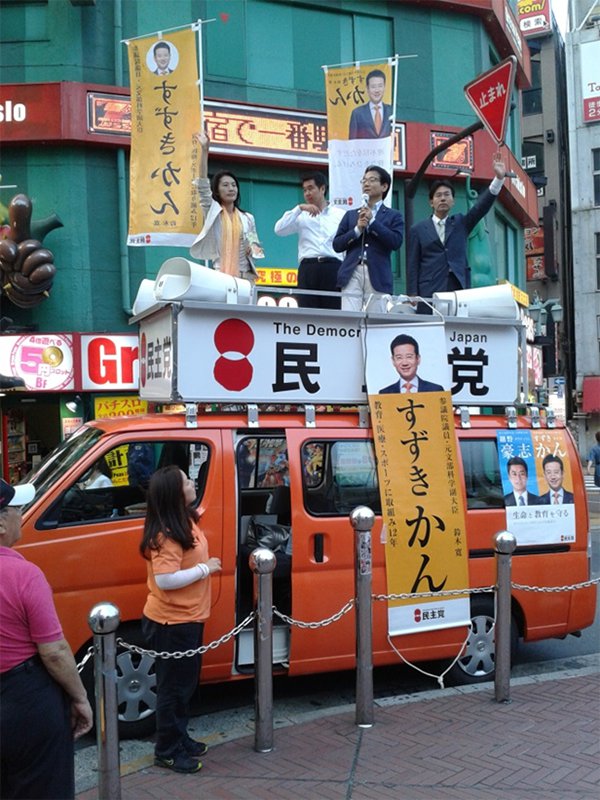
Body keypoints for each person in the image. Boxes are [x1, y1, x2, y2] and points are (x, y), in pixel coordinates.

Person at [0, 478, 93, 799]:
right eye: (15, 509)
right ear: (0, 523)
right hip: (25, 700)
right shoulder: (24, 575)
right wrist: (80, 698)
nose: (20, 515)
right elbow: (53, 651)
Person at [140, 465, 221, 774]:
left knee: (184, 687)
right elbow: (165, 580)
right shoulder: (166, 533)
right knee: (173, 689)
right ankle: (167, 750)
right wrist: (206, 569)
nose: (192, 483)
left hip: (187, 619)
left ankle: (179, 737)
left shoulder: (183, 520)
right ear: (176, 492)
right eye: (187, 481)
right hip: (171, 624)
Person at [407, 158, 507, 307]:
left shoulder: (460, 223)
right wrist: (412, 294)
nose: (442, 198)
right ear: (431, 202)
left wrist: (499, 179)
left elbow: (481, 208)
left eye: (447, 195)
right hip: (428, 291)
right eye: (438, 195)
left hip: (458, 289)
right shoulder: (418, 230)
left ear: (453, 201)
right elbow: (413, 264)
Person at [190, 131, 261, 281]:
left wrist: (253, 248)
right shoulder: (213, 212)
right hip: (220, 277)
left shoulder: (248, 218)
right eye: (226, 185)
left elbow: (256, 247)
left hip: (245, 277)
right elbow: (202, 185)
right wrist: (204, 151)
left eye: (234, 185)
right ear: (217, 190)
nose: (231, 189)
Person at [333, 165, 404, 312]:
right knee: (349, 319)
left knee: (376, 321)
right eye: (364, 181)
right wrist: (357, 230)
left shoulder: (393, 215)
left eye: (372, 180)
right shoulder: (351, 215)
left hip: (378, 273)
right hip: (351, 271)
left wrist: (373, 222)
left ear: (384, 186)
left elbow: (396, 241)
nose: (366, 184)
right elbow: (337, 244)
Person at [274, 172, 344, 309]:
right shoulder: (300, 215)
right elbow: (279, 229)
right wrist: (299, 208)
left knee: (334, 313)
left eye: (311, 188)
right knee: (307, 313)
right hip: (308, 268)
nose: (307, 193)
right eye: (304, 190)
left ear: (322, 189)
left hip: (333, 268)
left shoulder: (340, 215)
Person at [379, 333, 444, 394]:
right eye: (399, 357)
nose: (404, 363)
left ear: (418, 359)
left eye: (409, 357)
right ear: (393, 361)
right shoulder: (384, 394)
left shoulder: (436, 390)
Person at [348, 69, 392, 140]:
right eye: (373, 87)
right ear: (367, 89)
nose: (377, 90)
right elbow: (352, 142)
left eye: (380, 86)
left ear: (384, 87)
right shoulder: (357, 113)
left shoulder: (392, 111)